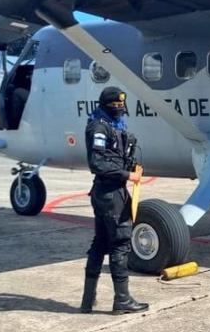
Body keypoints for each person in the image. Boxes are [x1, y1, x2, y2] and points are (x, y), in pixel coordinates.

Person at [80, 86, 148, 314]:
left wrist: (131, 166)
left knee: (101, 242)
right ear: (105, 105)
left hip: (109, 191)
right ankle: (122, 300)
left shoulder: (113, 125)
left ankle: (88, 301)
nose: (118, 109)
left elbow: (114, 157)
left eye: (121, 105)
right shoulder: (99, 127)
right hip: (110, 193)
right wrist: (128, 175)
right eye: (114, 105)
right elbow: (97, 163)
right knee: (120, 243)